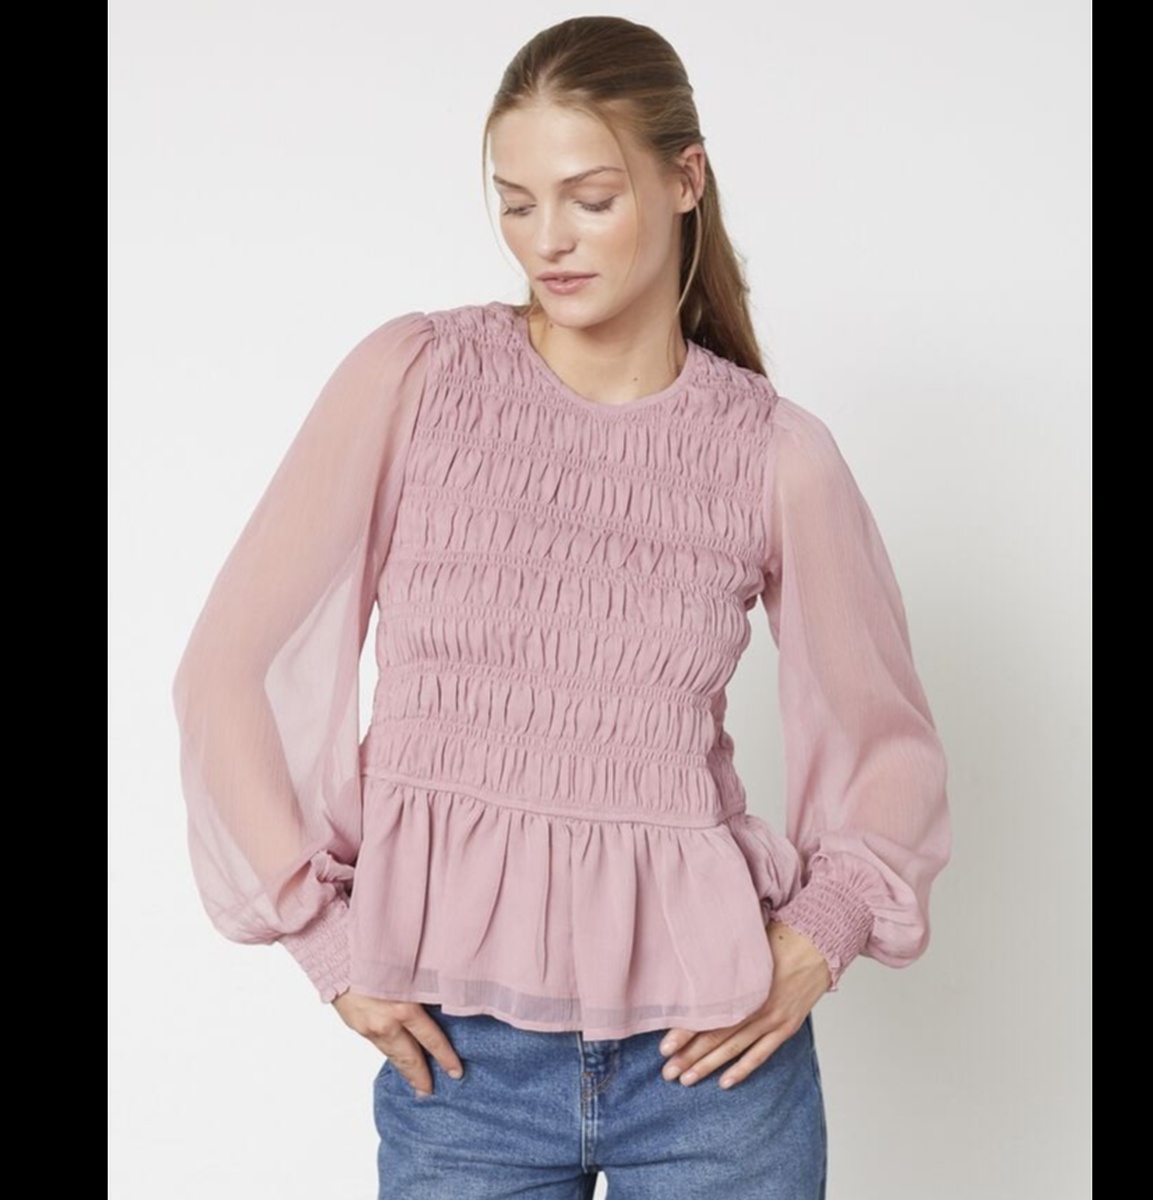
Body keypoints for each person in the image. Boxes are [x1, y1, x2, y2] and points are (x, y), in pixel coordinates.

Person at [171, 14, 951, 1199]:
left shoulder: (776, 453)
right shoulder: (418, 379)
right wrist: (323, 940)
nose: (549, 240)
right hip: (460, 1069)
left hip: (714, 1067)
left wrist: (817, 938)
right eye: (517, 202)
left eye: (590, 197)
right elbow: (227, 668)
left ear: (685, 178)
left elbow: (884, 734)